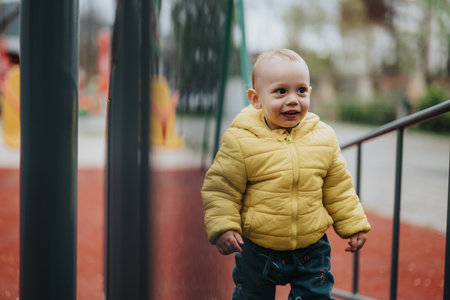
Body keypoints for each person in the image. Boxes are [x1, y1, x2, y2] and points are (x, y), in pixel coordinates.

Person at [201, 49, 371, 299]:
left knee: (314, 296)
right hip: (258, 247)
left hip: (311, 247)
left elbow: (339, 187)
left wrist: (353, 224)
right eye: (281, 91)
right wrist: (223, 227)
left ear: (309, 93)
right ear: (256, 99)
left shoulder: (322, 137)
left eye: (301, 90)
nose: (293, 99)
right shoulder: (240, 140)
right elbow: (222, 188)